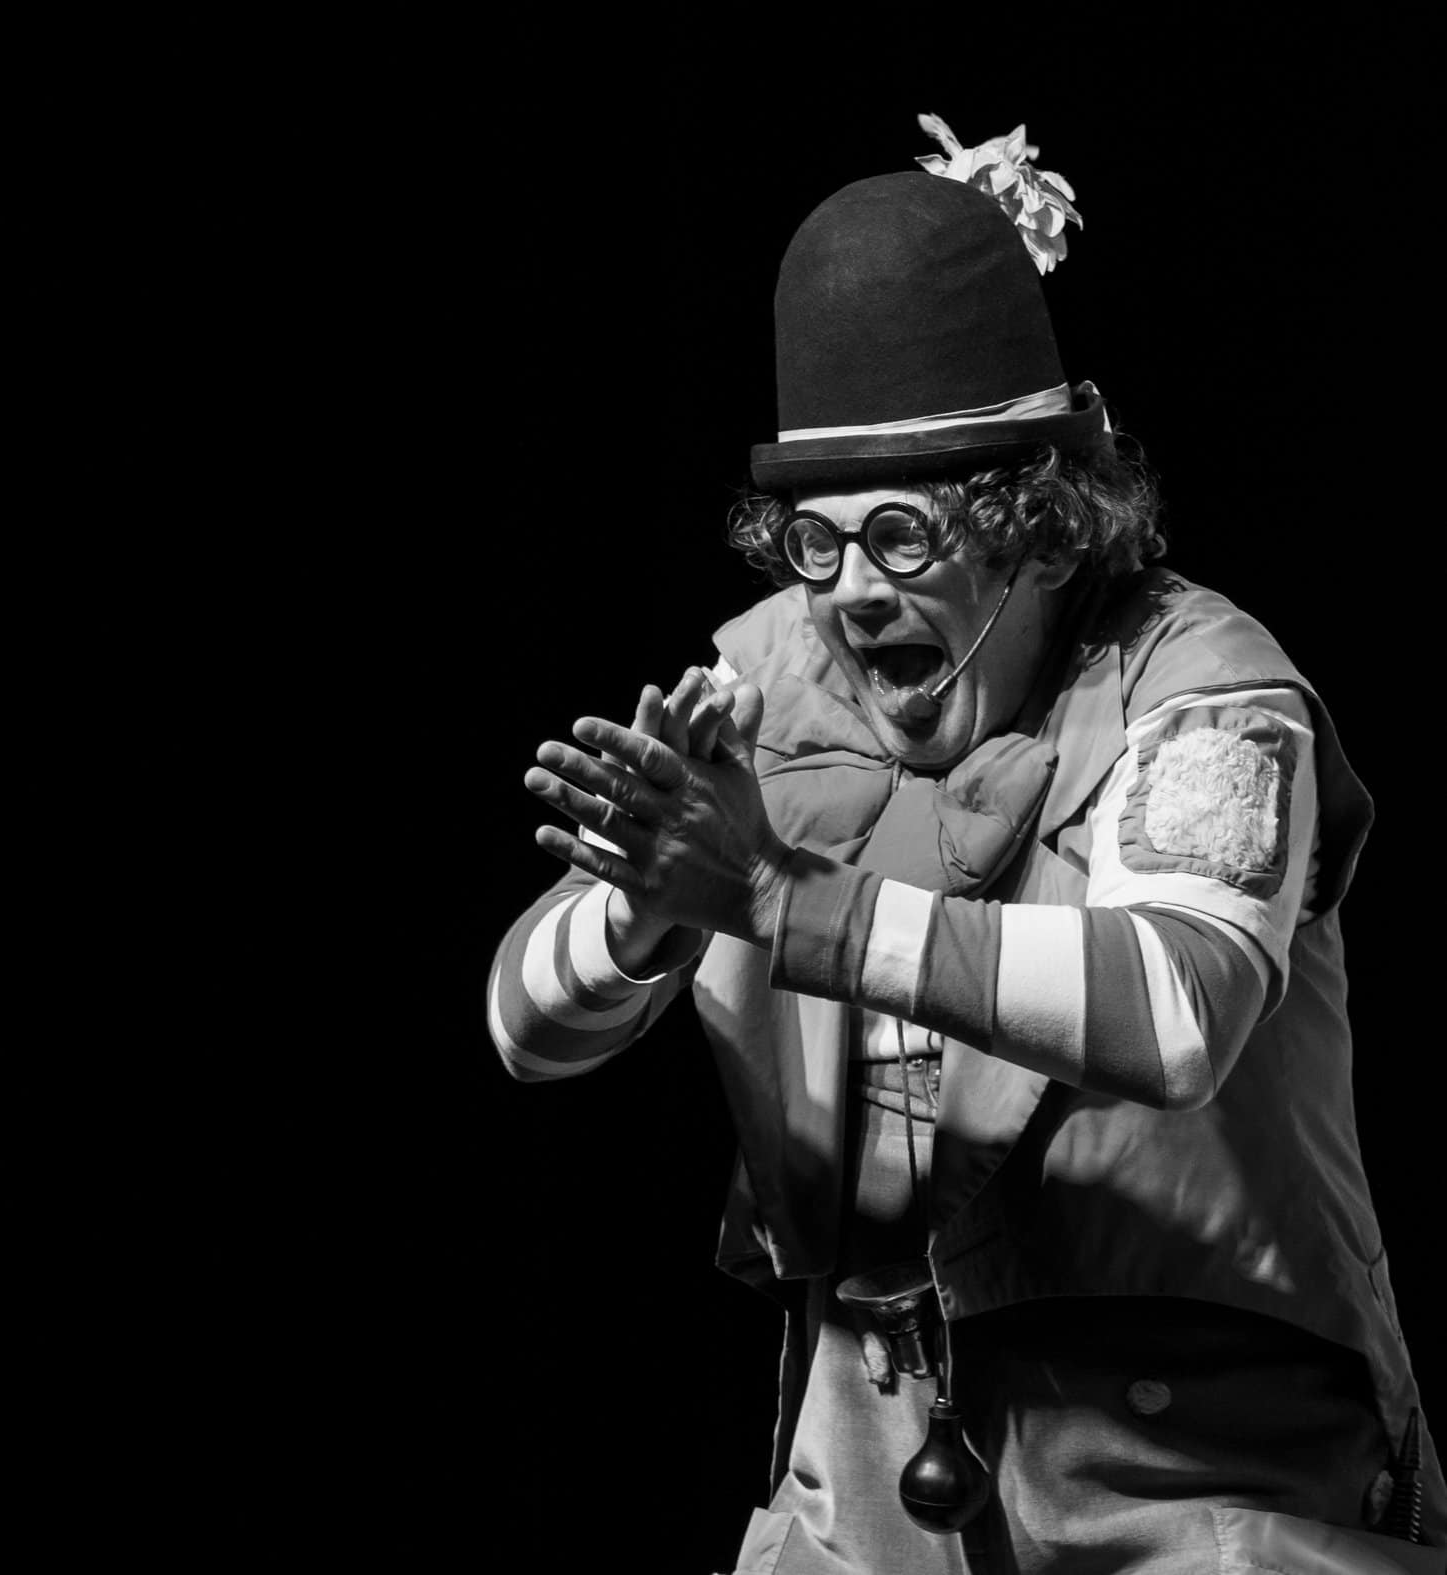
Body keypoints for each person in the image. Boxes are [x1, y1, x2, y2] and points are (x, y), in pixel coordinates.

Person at [487, 117, 1444, 1574]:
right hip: (865, 1445)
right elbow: (521, 1028)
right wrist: (647, 909)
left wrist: (772, 894)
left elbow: (1177, 1011)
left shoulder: (1202, 684)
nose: (851, 594)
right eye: (815, 544)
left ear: (1038, 530)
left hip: (1196, 1451)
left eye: (901, 535)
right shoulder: (762, 683)